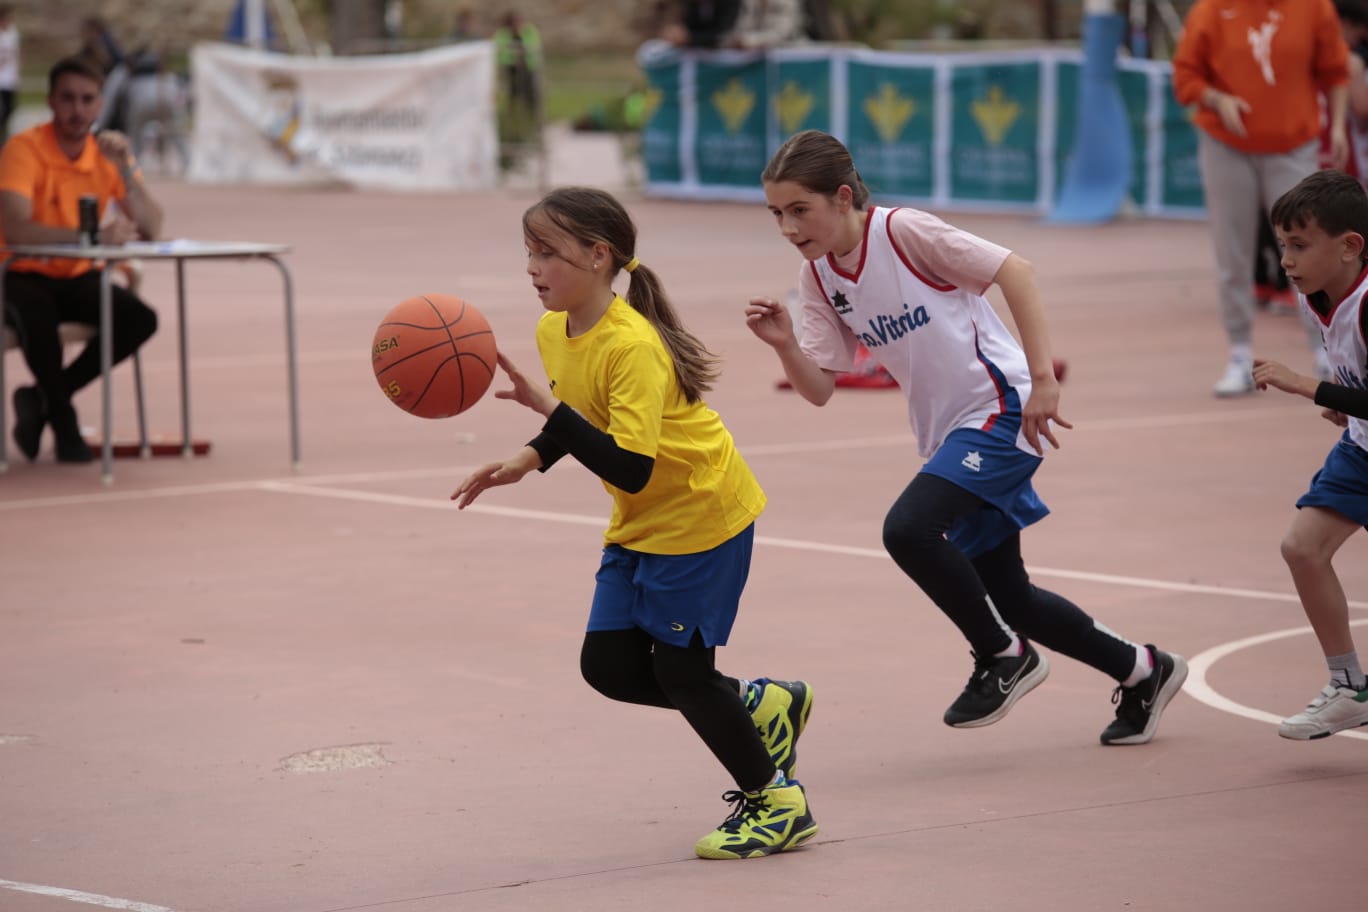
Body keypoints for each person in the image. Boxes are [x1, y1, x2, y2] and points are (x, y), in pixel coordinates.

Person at [745, 130, 1187, 745]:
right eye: (776, 214)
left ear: (842, 198)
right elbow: (819, 388)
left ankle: (1003, 656)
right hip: (948, 430)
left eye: (800, 210)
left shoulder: (902, 232)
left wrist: (1042, 381)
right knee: (1015, 598)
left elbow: (1017, 272)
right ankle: (1144, 670)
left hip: (1002, 407)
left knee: (907, 530)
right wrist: (787, 345)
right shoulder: (819, 278)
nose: (789, 227)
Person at [451, 186, 818, 859]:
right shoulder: (553, 330)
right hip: (645, 521)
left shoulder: (634, 346)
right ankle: (759, 704)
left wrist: (545, 412)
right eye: (527, 253)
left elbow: (632, 467)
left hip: (700, 515)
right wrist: (528, 458)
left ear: (599, 256)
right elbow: (589, 422)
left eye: (547, 253)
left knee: (683, 674)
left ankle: (778, 803)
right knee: (611, 667)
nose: (532, 268)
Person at [1172, 0, 1350, 397]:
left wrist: (1337, 126)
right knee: (1232, 248)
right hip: (1226, 144)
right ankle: (1239, 355)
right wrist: (1218, 99)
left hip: (1293, 143)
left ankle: (1328, 351)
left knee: (1313, 247)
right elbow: (1185, 75)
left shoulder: (1314, 7)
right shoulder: (1212, 9)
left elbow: (1335, 69)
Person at [1251, 168, 1368, 739]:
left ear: (1349, 247)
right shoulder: (1326, 297)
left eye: (1300, 246)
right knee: (1302, 548)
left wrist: (1309, 385)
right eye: (1283, 247)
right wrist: (1350, 405)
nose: (1288, 261)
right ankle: (1349, 686)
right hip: (1361, 451)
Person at [0, 55, 160, 464]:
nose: (78, 110)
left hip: (75, 275)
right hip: (17, 270)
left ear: (100, 104)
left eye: (88, 100)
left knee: (139, 318)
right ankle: (66, 424)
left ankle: (44, 399)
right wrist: (91, 236)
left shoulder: (106, 154)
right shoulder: (23, 150)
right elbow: (17, 228)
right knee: (37, 313)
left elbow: (152, 227)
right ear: (52, 101)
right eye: (68, 99)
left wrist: (125, 170)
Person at [0, 5, 18, 146]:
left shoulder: (13, 33)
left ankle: (4, 133)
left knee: (11, 108)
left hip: (10, 79)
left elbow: (16, 53)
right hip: (0, 79)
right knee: (3, 110)